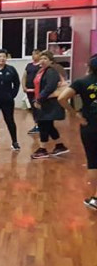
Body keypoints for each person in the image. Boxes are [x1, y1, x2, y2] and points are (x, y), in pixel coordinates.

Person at [58, 55, 97, 209]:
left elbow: (62, 98)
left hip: (90, 124)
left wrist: (75, 114)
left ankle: (95, 198)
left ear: (89, 67)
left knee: (93, 161)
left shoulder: (82, 82)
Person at [30, 51, 68, 159]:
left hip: (49, 103)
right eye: (41, 58)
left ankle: (43, 149)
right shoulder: (42, 71)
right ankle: (60, 146)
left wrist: (39, 99)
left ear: (51, 61)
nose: (42, 60)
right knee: (48, 125)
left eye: (45, 59)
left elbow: (49, 87)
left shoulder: (51, 71)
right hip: (44, 101)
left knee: (43, 125)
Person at [23, 49, 42, 134]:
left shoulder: (41, 66)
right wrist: (24, 86)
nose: (34, 56)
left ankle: (42, 125)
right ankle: (36, 125)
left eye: (36, 54)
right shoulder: (29, 65)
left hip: (38, 91)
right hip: (29, 90)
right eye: (32, 54)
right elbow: (24, 76)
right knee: (33, 108)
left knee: (38, 107)